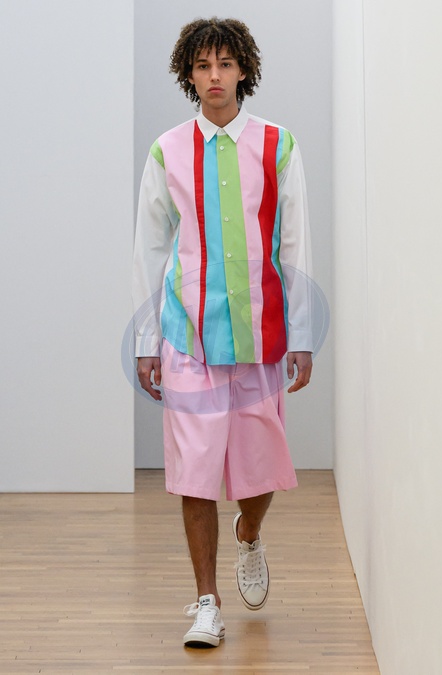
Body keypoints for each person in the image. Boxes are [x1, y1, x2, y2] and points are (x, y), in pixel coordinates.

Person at [132, 17, 313, 648]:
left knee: (261, 474)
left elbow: (296, 245)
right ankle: (206, 603)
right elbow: (149, 249)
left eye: (225, 64)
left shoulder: (279, 145)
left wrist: (301, 333)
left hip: (260, 337)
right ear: (189, 74)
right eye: (203, 65)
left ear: (243, 71)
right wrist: (147, 341)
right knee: (195, 472)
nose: (215, 76)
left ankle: (249, 533)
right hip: (188, 340)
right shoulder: (167, 150)